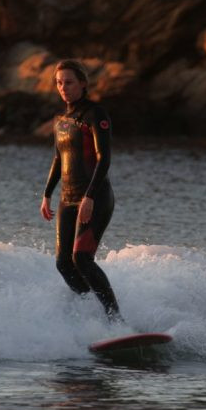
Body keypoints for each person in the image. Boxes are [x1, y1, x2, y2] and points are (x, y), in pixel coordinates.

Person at [40, 59, 122, 323]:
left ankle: (115, 319)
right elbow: (58, 159)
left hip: (95, 197)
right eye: (59, 82)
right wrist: (47, 194)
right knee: (63, 263)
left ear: (83, 84)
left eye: (69, 82)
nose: (63, 87)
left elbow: (104, 158)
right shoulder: (61, 119)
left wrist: (89, 197)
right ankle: (92, 315)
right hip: (67, 199)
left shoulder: (95, 114)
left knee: (82, 259)